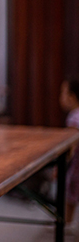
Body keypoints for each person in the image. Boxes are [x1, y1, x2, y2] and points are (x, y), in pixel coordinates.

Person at [59, 76, 79, 224]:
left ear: (72, 97)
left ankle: (65, 224)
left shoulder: (73, 118)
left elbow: (70, 147)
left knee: (71, 196)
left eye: (63, 93)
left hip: (77, 166)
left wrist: (59, 166)